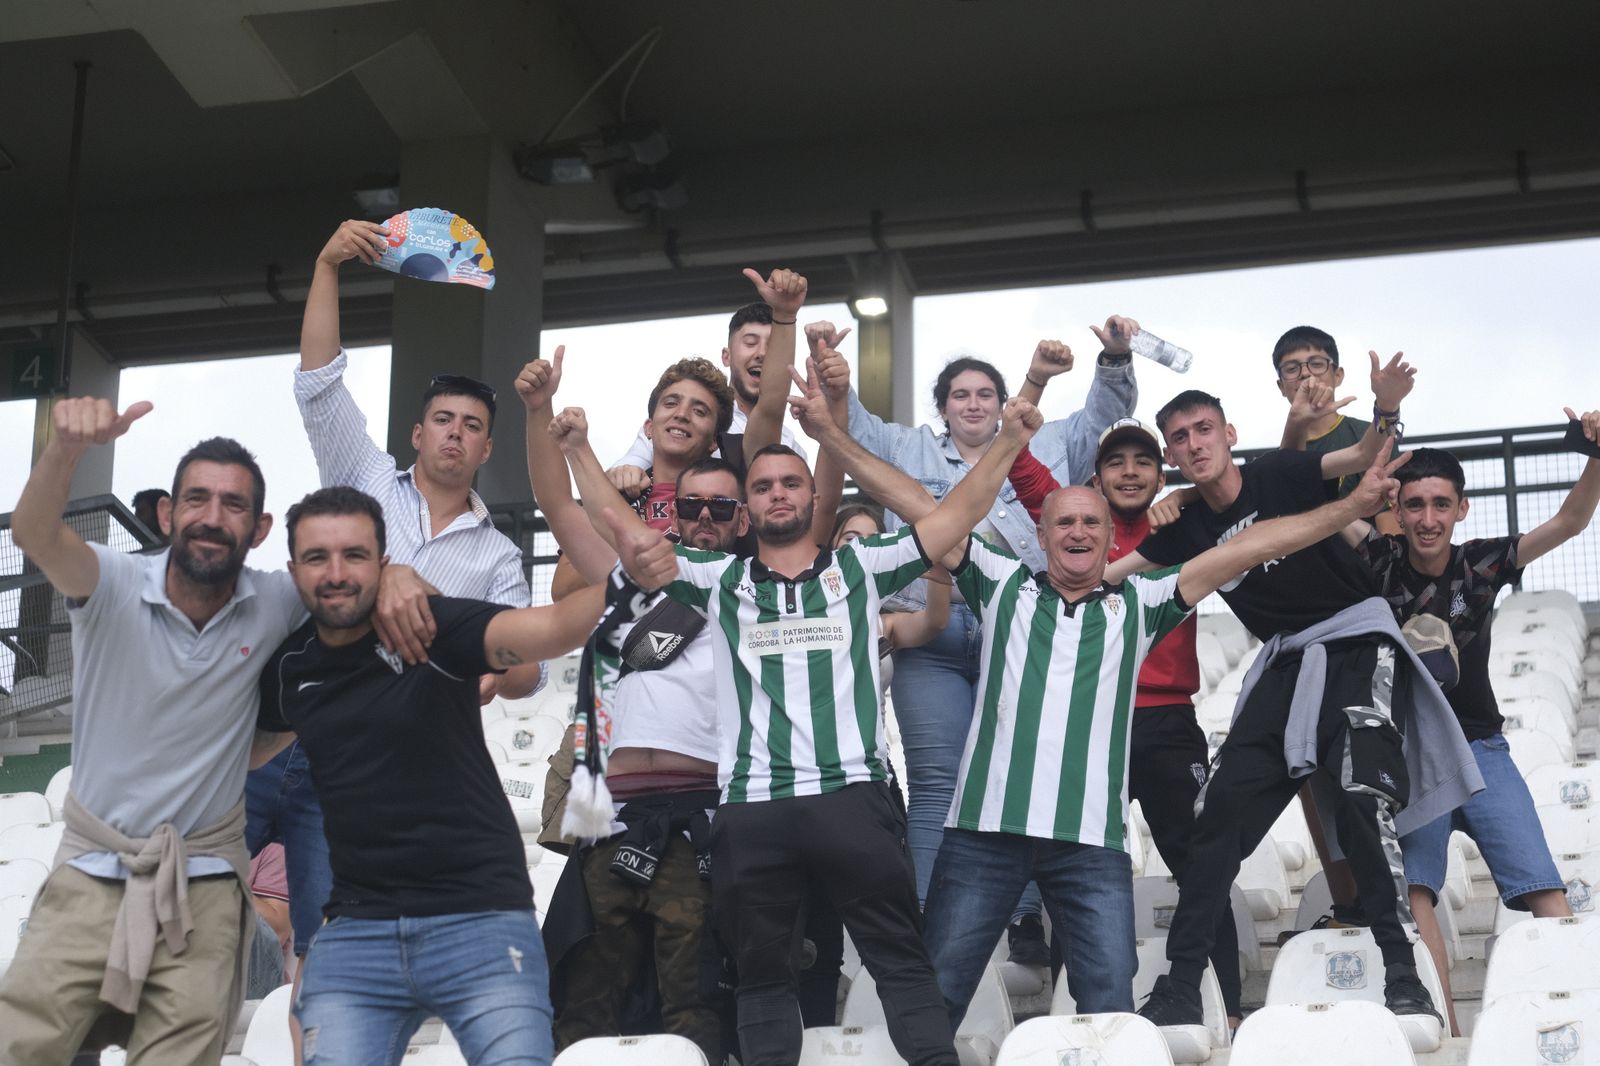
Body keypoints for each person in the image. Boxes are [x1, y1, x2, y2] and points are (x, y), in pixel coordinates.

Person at [793, 374, 1403, 1021]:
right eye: (1065, 522)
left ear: (1111, 536)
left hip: (1089, 848)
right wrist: (832, 437)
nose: (1078, 532)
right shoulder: (1001, 584)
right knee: (937, 996)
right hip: (984, 837)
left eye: (1091, 522)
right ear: (1044, 532)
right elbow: (919, 503)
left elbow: (1248, 545)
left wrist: (1345, 511)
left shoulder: (1138, 605)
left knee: (1109, 1012)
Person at [579, 386, 1050, 1066]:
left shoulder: (863, 563)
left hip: (851, 799)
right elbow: (618, 529)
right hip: (752, 810)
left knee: (901, 964)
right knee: (763, 980)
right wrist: (571, 446)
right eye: (763, 486)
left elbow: (958, 517)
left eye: (790, 482)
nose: (777, 494)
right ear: (747, 509)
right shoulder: (717, 578)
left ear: (811, 498)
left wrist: (1007, 441)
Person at [251, 485, 676, 1066]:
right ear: (293, 570)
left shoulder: (432, 627)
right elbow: (252, 744)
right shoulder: (291, 670)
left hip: (480, 919)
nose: (337, 573)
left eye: (354, 555)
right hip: (356, 933)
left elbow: (550, 626)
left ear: (383, 561)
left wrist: (627, 582)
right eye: (317, 558)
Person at [1113, 380, 1483, 1029]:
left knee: (1362, 793)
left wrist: (1385, 409)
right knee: (1217, 814)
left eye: (1204, 429)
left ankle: (1404, 978)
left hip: (1355, 641)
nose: (1194, 443)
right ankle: (1177, 987)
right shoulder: (1187, 524)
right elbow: (1111, 574)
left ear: (1228, 435)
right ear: (1172, 454)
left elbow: (1363, 450)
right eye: (1180, 436)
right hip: (1284, 661)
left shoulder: (1276, 472)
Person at [246, 220, 549, 1008]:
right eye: (443, 420)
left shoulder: (498, 558)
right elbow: (317, 381)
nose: (456, 433)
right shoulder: (365, 476)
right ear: (417, 434)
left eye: (473, 426)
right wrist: (325, 266)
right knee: (186, 897)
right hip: (280, 733)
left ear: (488, 450)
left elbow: (521, 668)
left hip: (371, 762)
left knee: (326, 952)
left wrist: (480, 677)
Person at [0, 399, 305, 1062]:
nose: (213, 517)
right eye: (198, 498)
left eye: (233, 505)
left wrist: (396, 574)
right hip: (88, 872)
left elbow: (351, 574)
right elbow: (35, 533)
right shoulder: (111, 581)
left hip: (205, 890)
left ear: (259, 531)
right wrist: (64, 449)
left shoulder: (275, 600)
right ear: (167, 514)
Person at [842, 319, 1138, 965]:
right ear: (942, 407)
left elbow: (1105, 415)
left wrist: (1113, 357)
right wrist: (831, 374)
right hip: (934, 621)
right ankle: (922, 922)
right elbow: (853, 428)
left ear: (1004, 404)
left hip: (1024, 632)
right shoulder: (908, 446)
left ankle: (1024, 921)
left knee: (1022, 780)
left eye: (985, 394)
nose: (972, 404)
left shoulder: (1050, 440)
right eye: (959, 395)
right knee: (938, 783)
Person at [1345, 423, 1599, 1032]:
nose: (1427, 518)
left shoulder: (1479, 564)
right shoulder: (1379, 562)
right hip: (1414, 755)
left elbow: (1568, 521)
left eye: (1440, 504)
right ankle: (1449, 1034)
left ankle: (1581, 1014)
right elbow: (1323, 514)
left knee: (1546, 892)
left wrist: (1596, 455)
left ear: (1462, 508)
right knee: (1417, 895)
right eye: (1413, 504)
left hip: (1482, 748)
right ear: (1395, 510)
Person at [1003, 416, 1243, 1024]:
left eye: (1143, 460)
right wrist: (1021, 409)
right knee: (1072, 866)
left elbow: (1238, 493)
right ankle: (1070, 1014)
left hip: (1166, 722)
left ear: (1161, 472)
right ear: (1096, 476)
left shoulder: (1184, 528)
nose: (1130, 471)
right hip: (1090, 724)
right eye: (1116, 462)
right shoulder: (1081, 528)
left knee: (1198, 861)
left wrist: (1186, 496)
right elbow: (1025, 472)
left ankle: (1229, 1006)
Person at [606, 300, 814, 497]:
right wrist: (624, 473)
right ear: (727, 356)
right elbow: (629, 468)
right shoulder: (675, 422)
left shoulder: (791, 448)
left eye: (773, 347)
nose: (762, 353)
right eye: (750, 343)